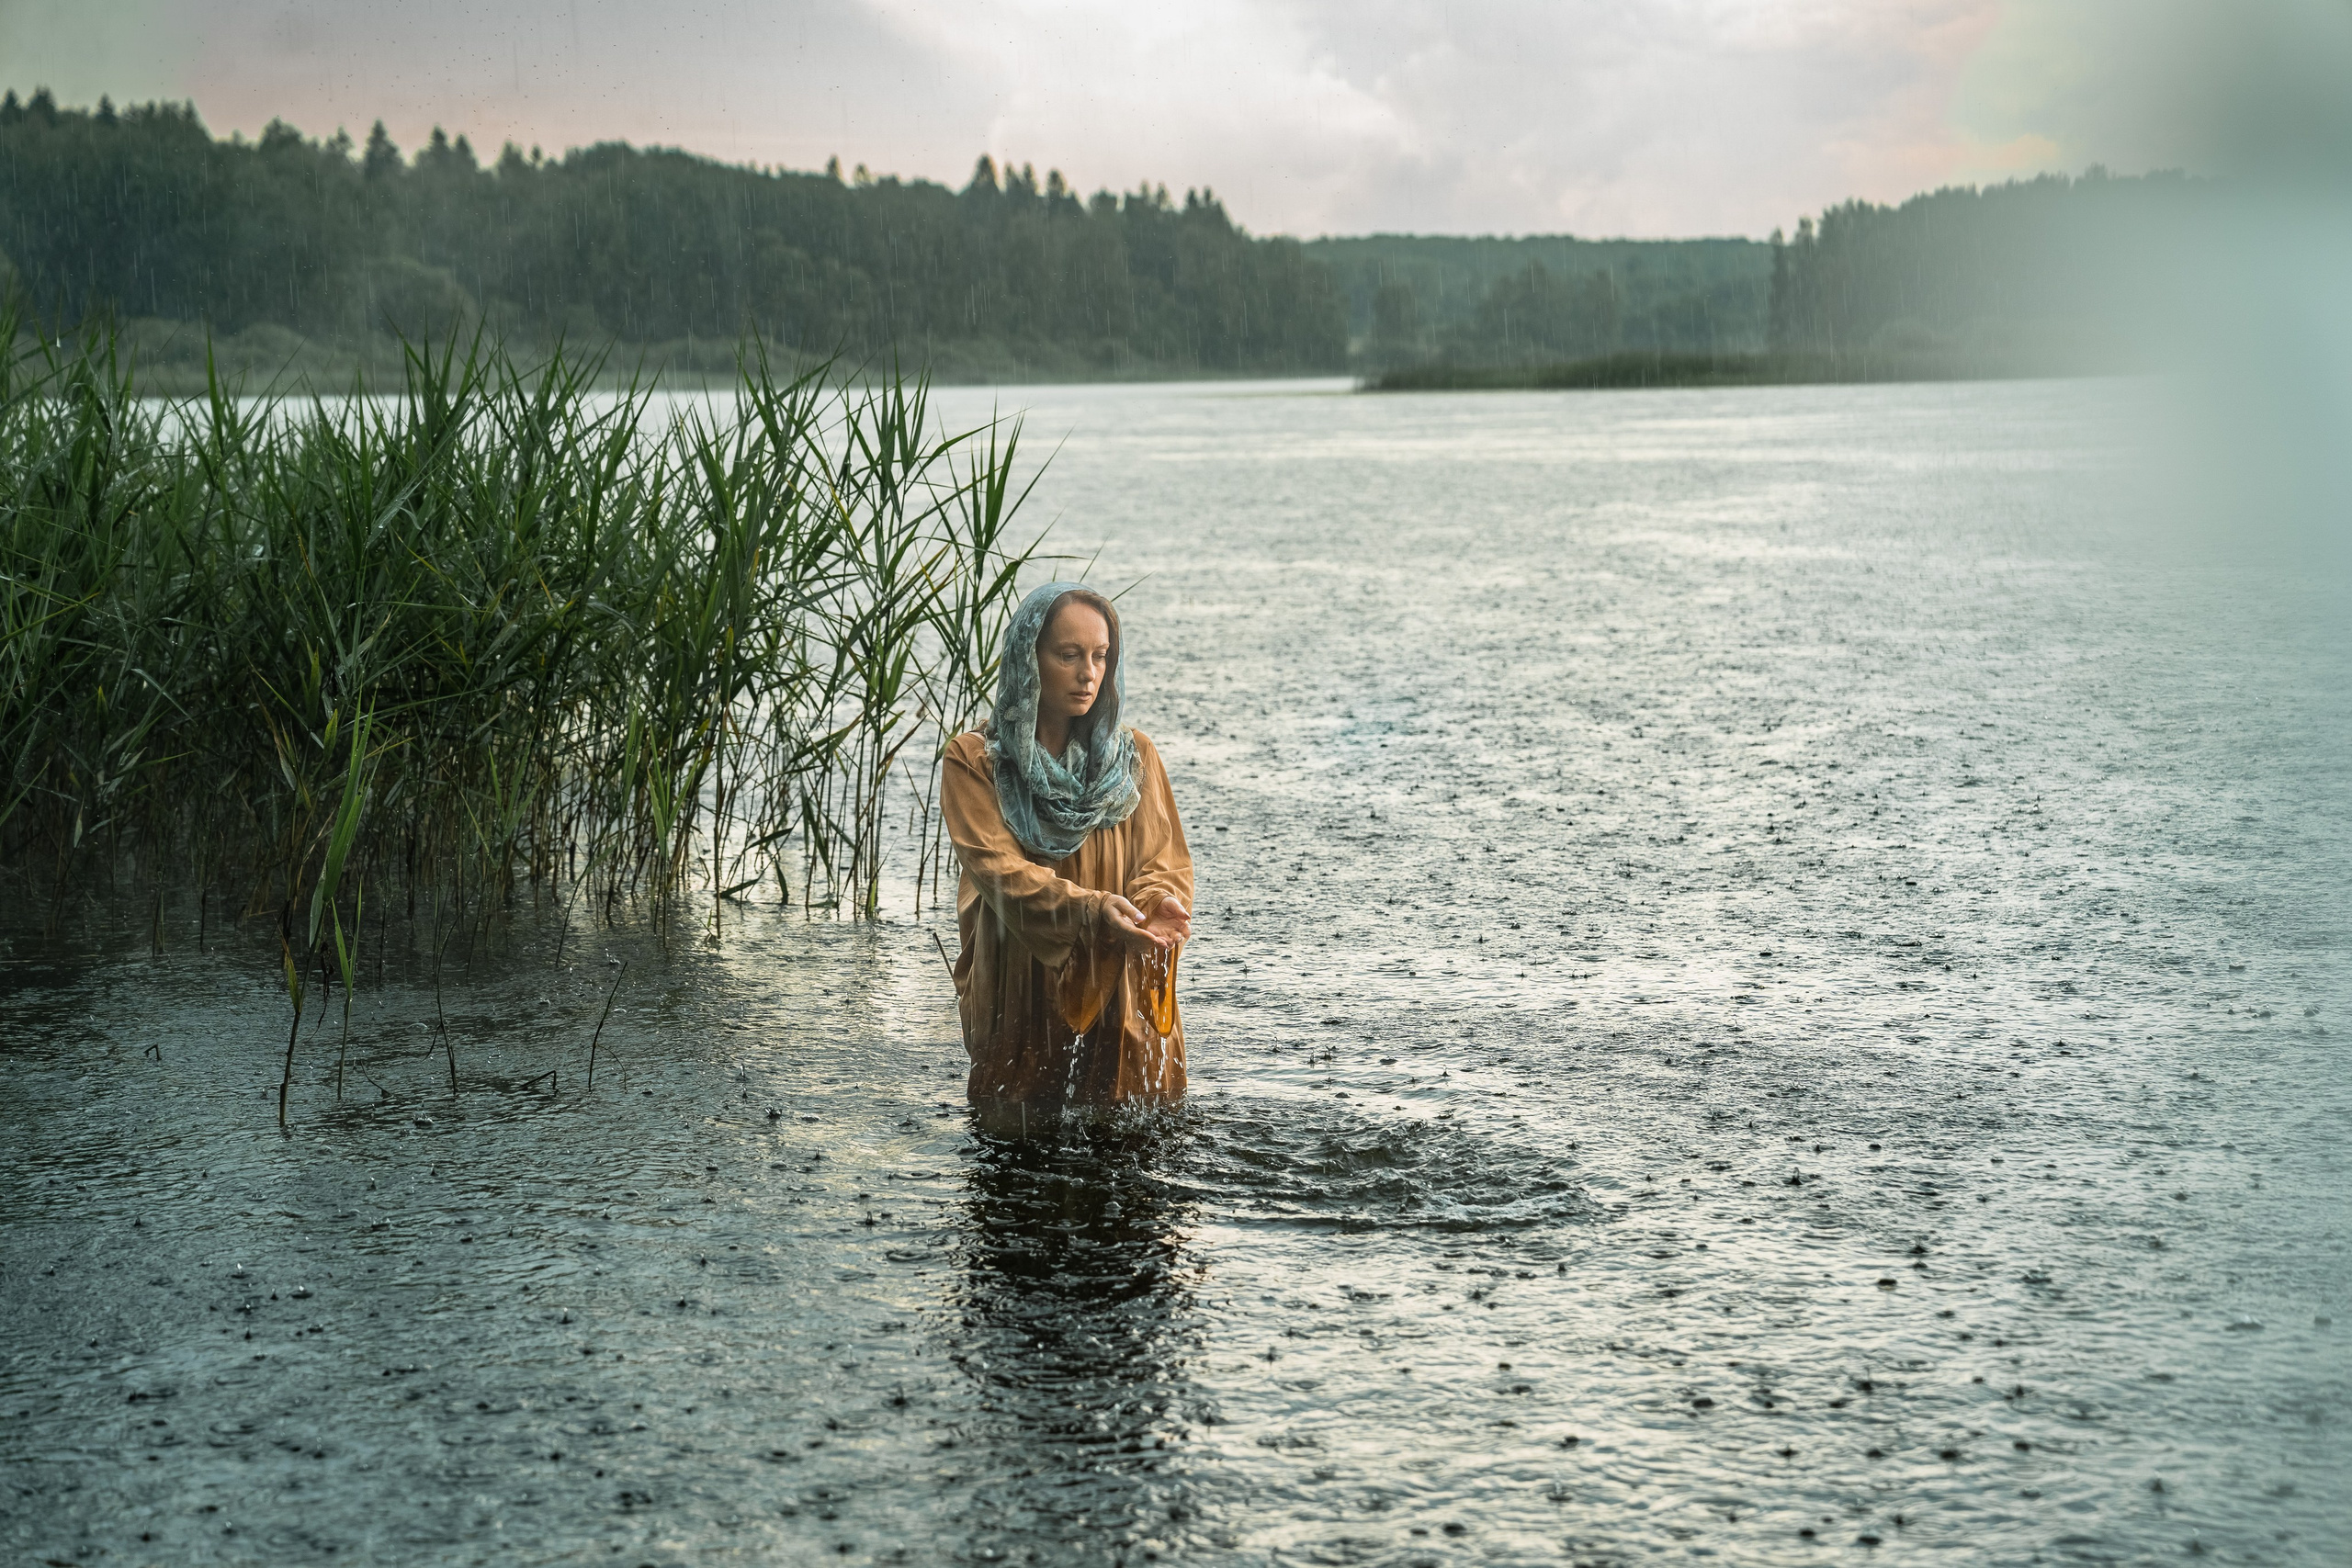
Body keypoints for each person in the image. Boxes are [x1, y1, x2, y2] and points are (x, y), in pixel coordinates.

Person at [941, 582, 1193, 1134]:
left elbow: (1162, 860)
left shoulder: (1134, 758)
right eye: (1069, 655)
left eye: (1101, 656)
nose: (1088, 673)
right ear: (1030, 660)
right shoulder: (977, 763)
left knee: (1129, 1156)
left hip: (1120, 972)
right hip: (1021, 981)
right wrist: (1091, 909)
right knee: (1018, 1158)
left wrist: (1157, 903)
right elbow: (999, 872)